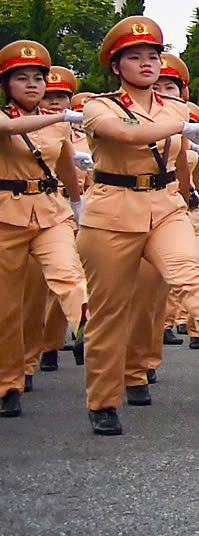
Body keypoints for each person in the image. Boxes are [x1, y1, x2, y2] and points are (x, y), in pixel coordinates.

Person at [70, 18, 199, 436]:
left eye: (153, 56)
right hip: (113, 210)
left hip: (163, 205)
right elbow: (125, 135)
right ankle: (103, 400)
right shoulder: (99, 107)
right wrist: (180, 127)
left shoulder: (174, 109)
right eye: (135, 57)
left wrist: (191, 202)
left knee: (188, 270)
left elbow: (181, 164)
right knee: (110, 312)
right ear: (116, 66)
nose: (147, 64)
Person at [0, 40, 87, 420]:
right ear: (7, 85)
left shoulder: (57, 126)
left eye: (38, 78)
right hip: (7, 216)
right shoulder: (10, 117)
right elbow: (11, 127)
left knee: (69, 275)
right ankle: (8, 383)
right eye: (22, 78)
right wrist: (59, 117)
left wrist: (78, 203)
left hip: (51, 213)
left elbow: (66, 166)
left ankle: (88, 327)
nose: (33, 85)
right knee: (8, 310)